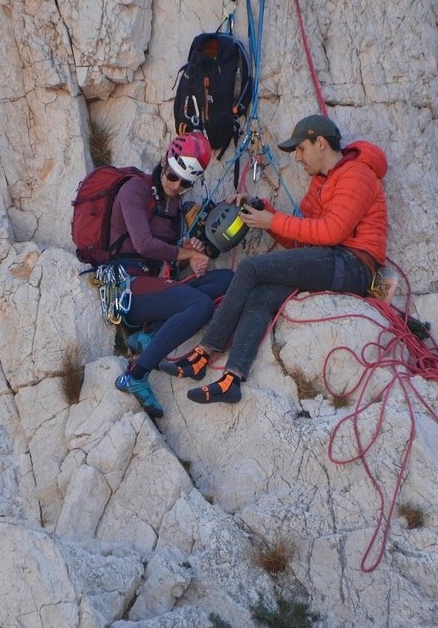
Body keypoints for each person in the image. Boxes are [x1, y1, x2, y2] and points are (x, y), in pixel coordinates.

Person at [161, 114, 388, 403]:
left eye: (301, 149)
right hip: (334, 260)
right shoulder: (323, 182)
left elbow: (331, 232)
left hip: (354, 265)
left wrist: (273, 221)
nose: (298, 158)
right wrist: (260, 211)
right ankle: (232, 378)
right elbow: (304, 239)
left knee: (250, 268)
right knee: (261, 296)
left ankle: (202, 354)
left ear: (321, 143)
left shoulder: (356, 174)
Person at [111, 132, 234, 418]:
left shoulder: (174, 205)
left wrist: (189, 251)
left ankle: (149, 337)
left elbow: (167, 256)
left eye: (185, 183)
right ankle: (136, 375)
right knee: (200, 305)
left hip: (152, 285)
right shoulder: (135, 190)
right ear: (165, 163)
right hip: (126, 286)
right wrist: (187, 254)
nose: (177, 186)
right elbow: (143, 244)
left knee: (226, 279)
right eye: (172, 176)